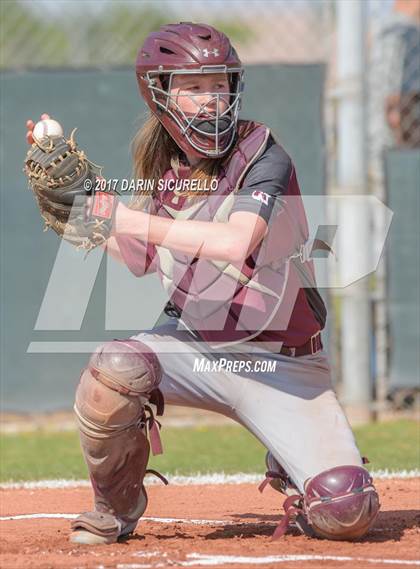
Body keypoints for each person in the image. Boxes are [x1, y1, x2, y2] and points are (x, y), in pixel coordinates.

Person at [26, 22, 379, 545]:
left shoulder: (263, 155)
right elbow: (139, 258)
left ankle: (290, 459)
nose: (211, 100)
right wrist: (83, 214)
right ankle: (114, 509)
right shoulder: (165, 169)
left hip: (283, 363)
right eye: (194, 88)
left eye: (220, 84)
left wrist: (124, 217)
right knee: (114, 369)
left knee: (345, 510)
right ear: (159, 93)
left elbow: (236, 241)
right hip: (196, 348)